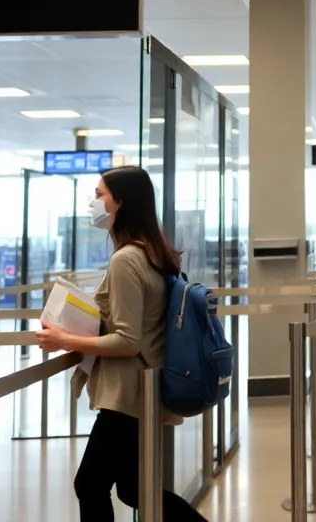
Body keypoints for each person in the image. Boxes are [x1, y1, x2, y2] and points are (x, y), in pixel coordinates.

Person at [35, 166, 208, 522]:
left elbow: (129, 339)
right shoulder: (152, 252)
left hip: (128, 395)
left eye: (99, 195)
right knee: (133, 488)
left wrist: (63, 337)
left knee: (90, 485)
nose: (93, 202)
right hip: (141, 388)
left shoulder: (127, 259)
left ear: (121, 202)